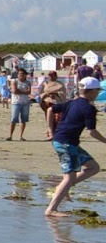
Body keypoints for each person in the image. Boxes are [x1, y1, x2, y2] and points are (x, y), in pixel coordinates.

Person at [45, 77, 105, 216]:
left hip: (68, 143)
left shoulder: (72, 102)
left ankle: (62, 188)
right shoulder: (89, 109)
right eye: (97, 91)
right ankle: (51, 210)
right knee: (69, 177)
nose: (97, 93)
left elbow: (50, 110)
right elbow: (92, 132)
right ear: (91, 91)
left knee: (93, 167)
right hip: (65, 143)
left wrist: (50, 128)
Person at [7, 68, 33, 141]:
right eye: (20, 74)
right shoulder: (14, 81)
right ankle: (10, 135)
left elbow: (29, 92)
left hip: (25, 102)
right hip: (16, 102)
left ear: (25, 75)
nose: (21, 75)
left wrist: (20, 91)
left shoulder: (28, 82)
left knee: (23, 120)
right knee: (14, 119)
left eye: (22, 74)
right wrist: (23, 92)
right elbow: (15, 91)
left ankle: (21, 136)